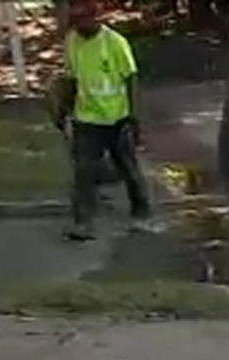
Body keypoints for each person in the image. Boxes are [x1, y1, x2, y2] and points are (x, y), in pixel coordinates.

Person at [53, 0, 153, 241]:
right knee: (84, 170)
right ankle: (84, 222)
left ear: (96, 18)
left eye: (82, 20)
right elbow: (71, 79)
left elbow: (131, 80)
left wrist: (134, 118)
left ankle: (142, 212)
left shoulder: (115, 43)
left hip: (117, 118)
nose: (78, 26)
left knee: (128, 167)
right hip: (87, 119)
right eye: (74, 21)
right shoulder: (72, 42)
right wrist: (62, 109)